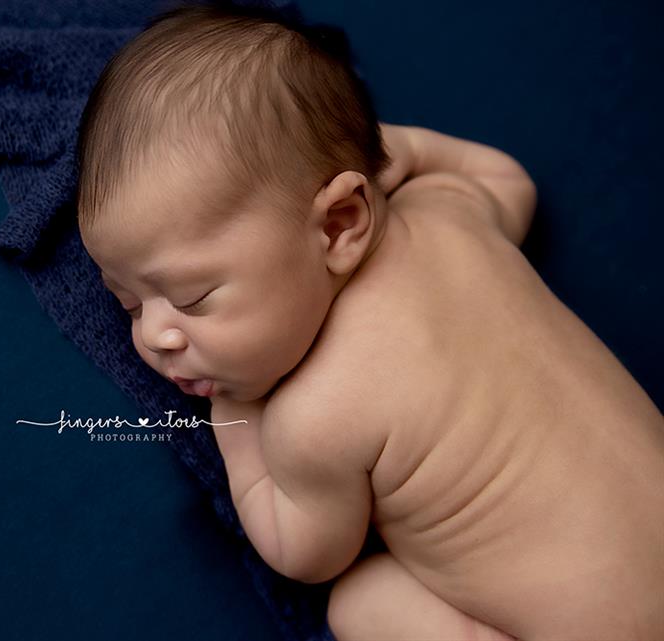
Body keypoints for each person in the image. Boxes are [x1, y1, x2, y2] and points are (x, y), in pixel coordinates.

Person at [75, 3, 664, 639]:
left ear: (338, 225)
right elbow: (506, 177)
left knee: (358, 600)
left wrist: (235, 423)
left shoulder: (315, 419)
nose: (152, 336)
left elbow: (304, 555)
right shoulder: (448, 215)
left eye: (192, 298)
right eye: (129, 303)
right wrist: (395, 151)